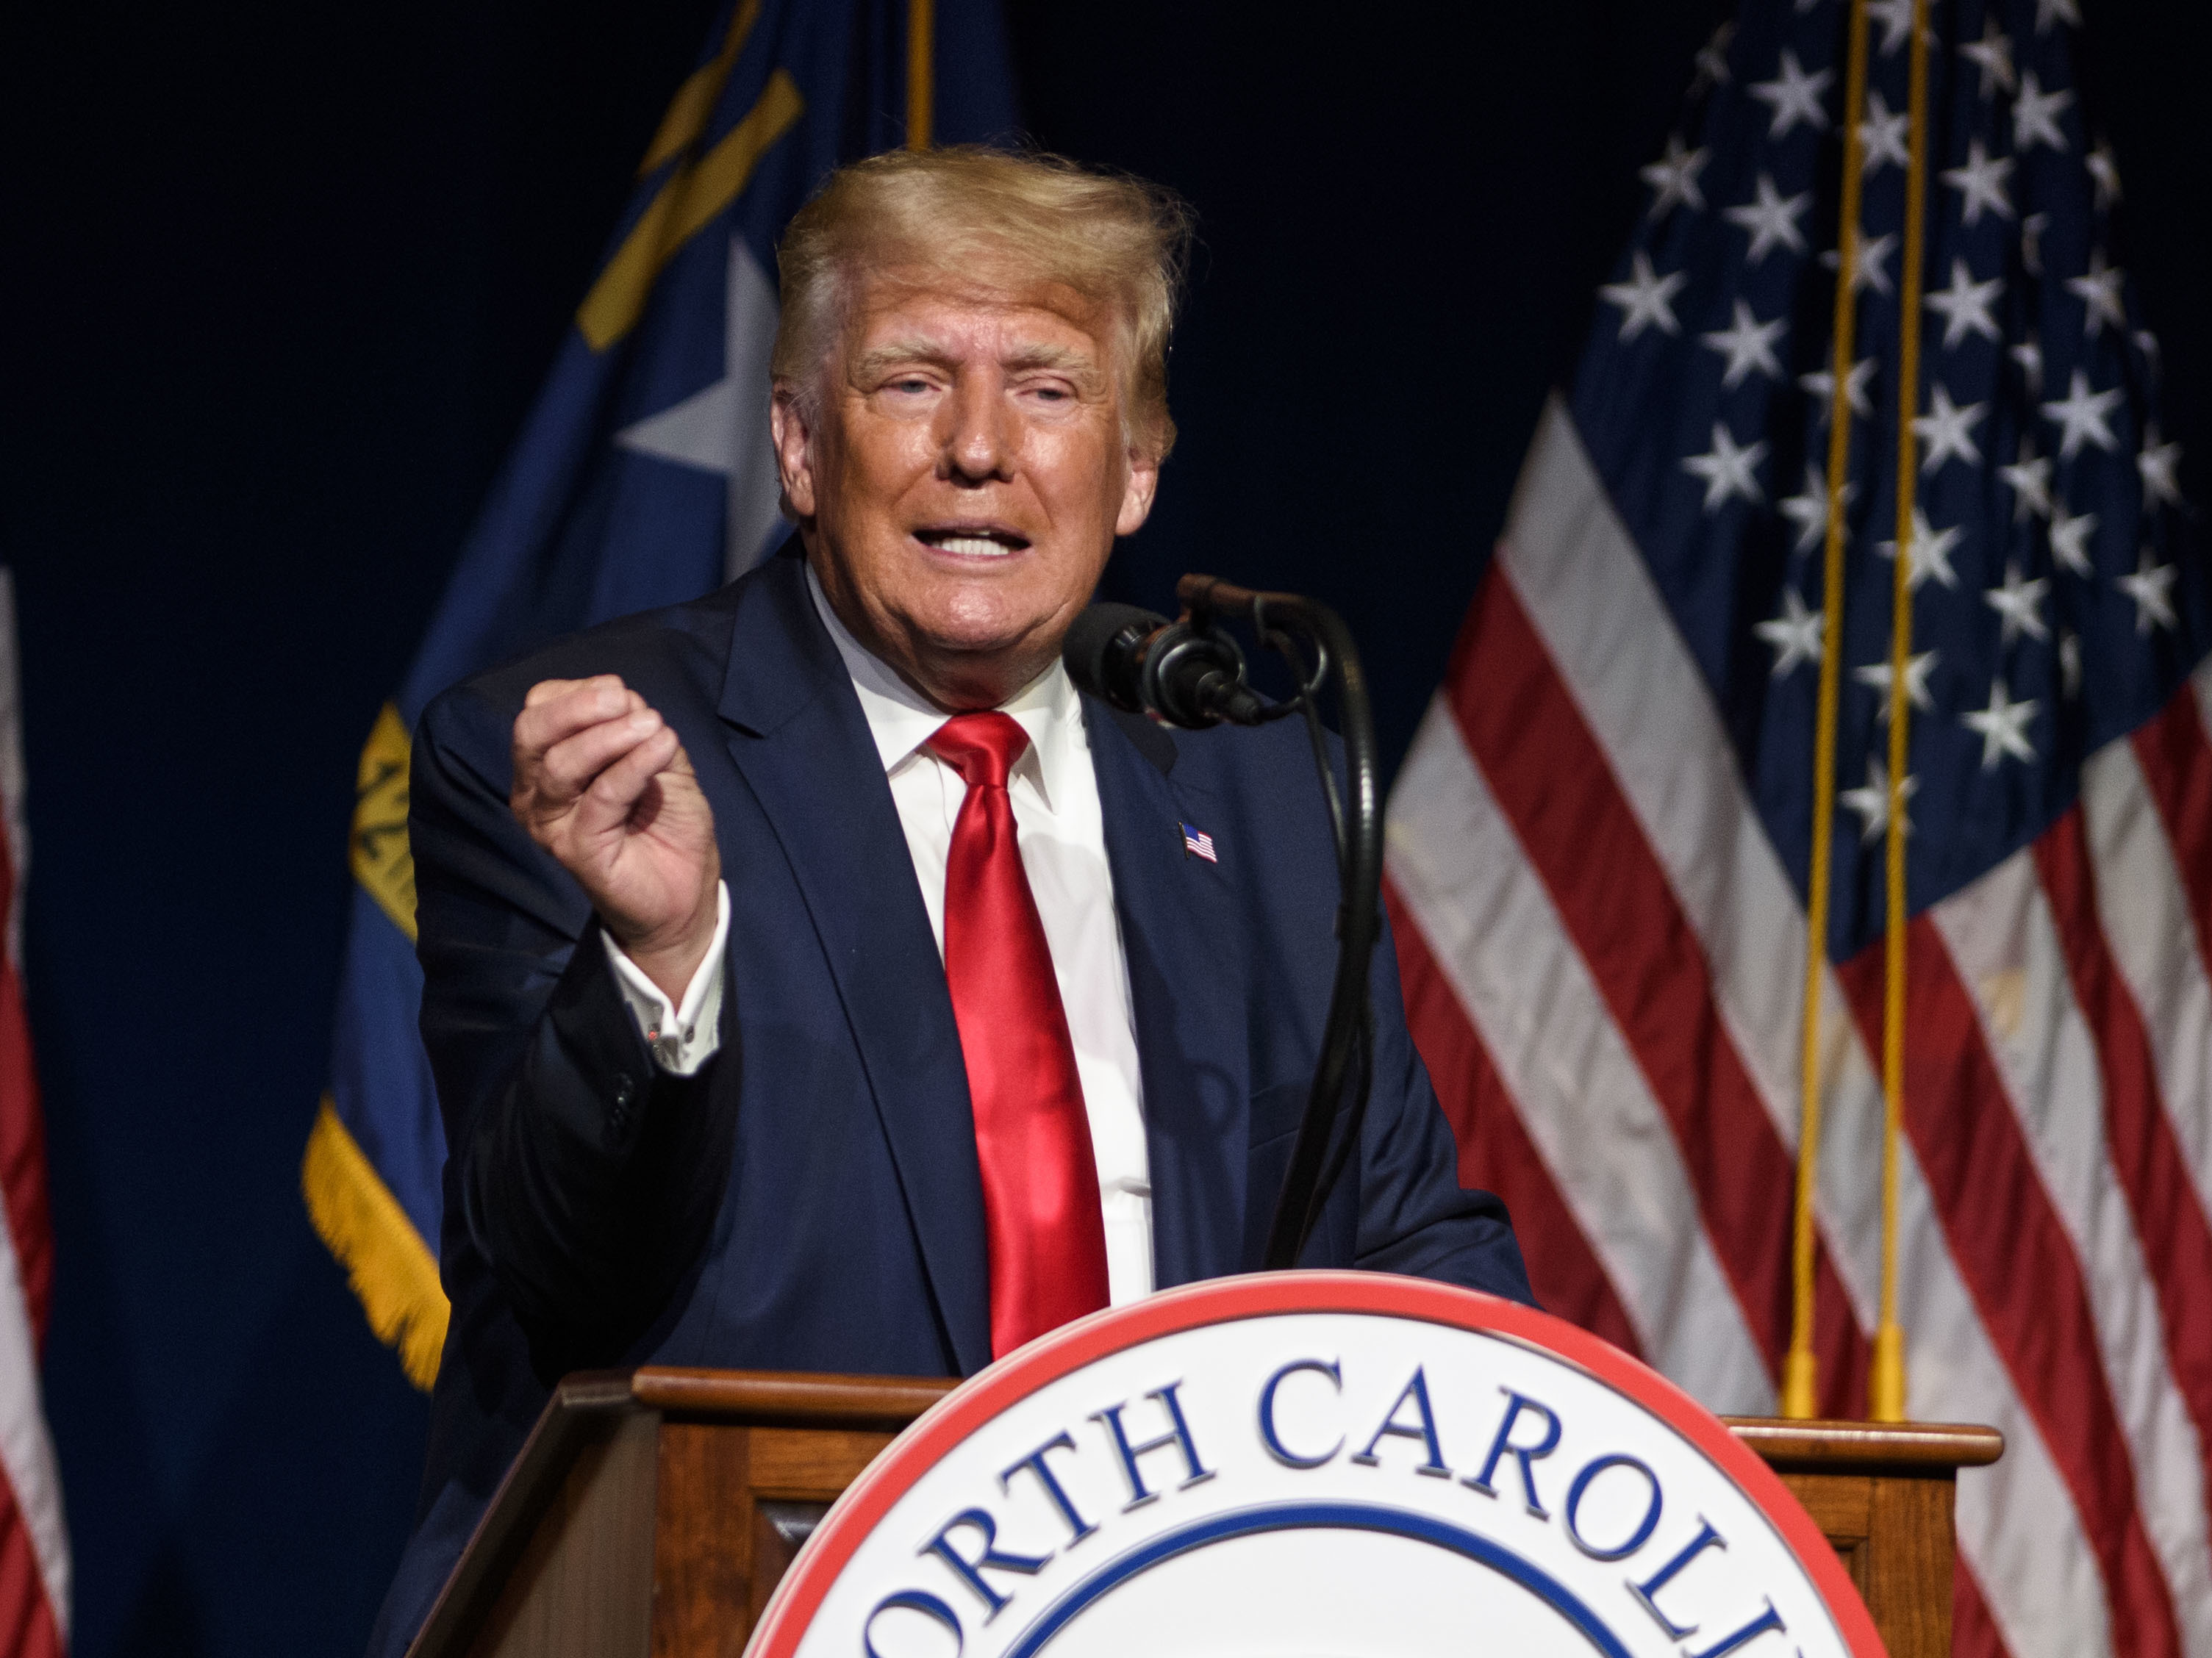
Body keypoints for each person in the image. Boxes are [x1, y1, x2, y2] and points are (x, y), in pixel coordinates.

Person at [368, 146, 1531, 1654]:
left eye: (1045, 388)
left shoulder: (1263, 790)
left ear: (1134, 468)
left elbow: (1400, 1247)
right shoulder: (585, 755)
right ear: (796, 445)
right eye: (910, 381)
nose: (978, 449)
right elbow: (562, 1278)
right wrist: (662, 960)